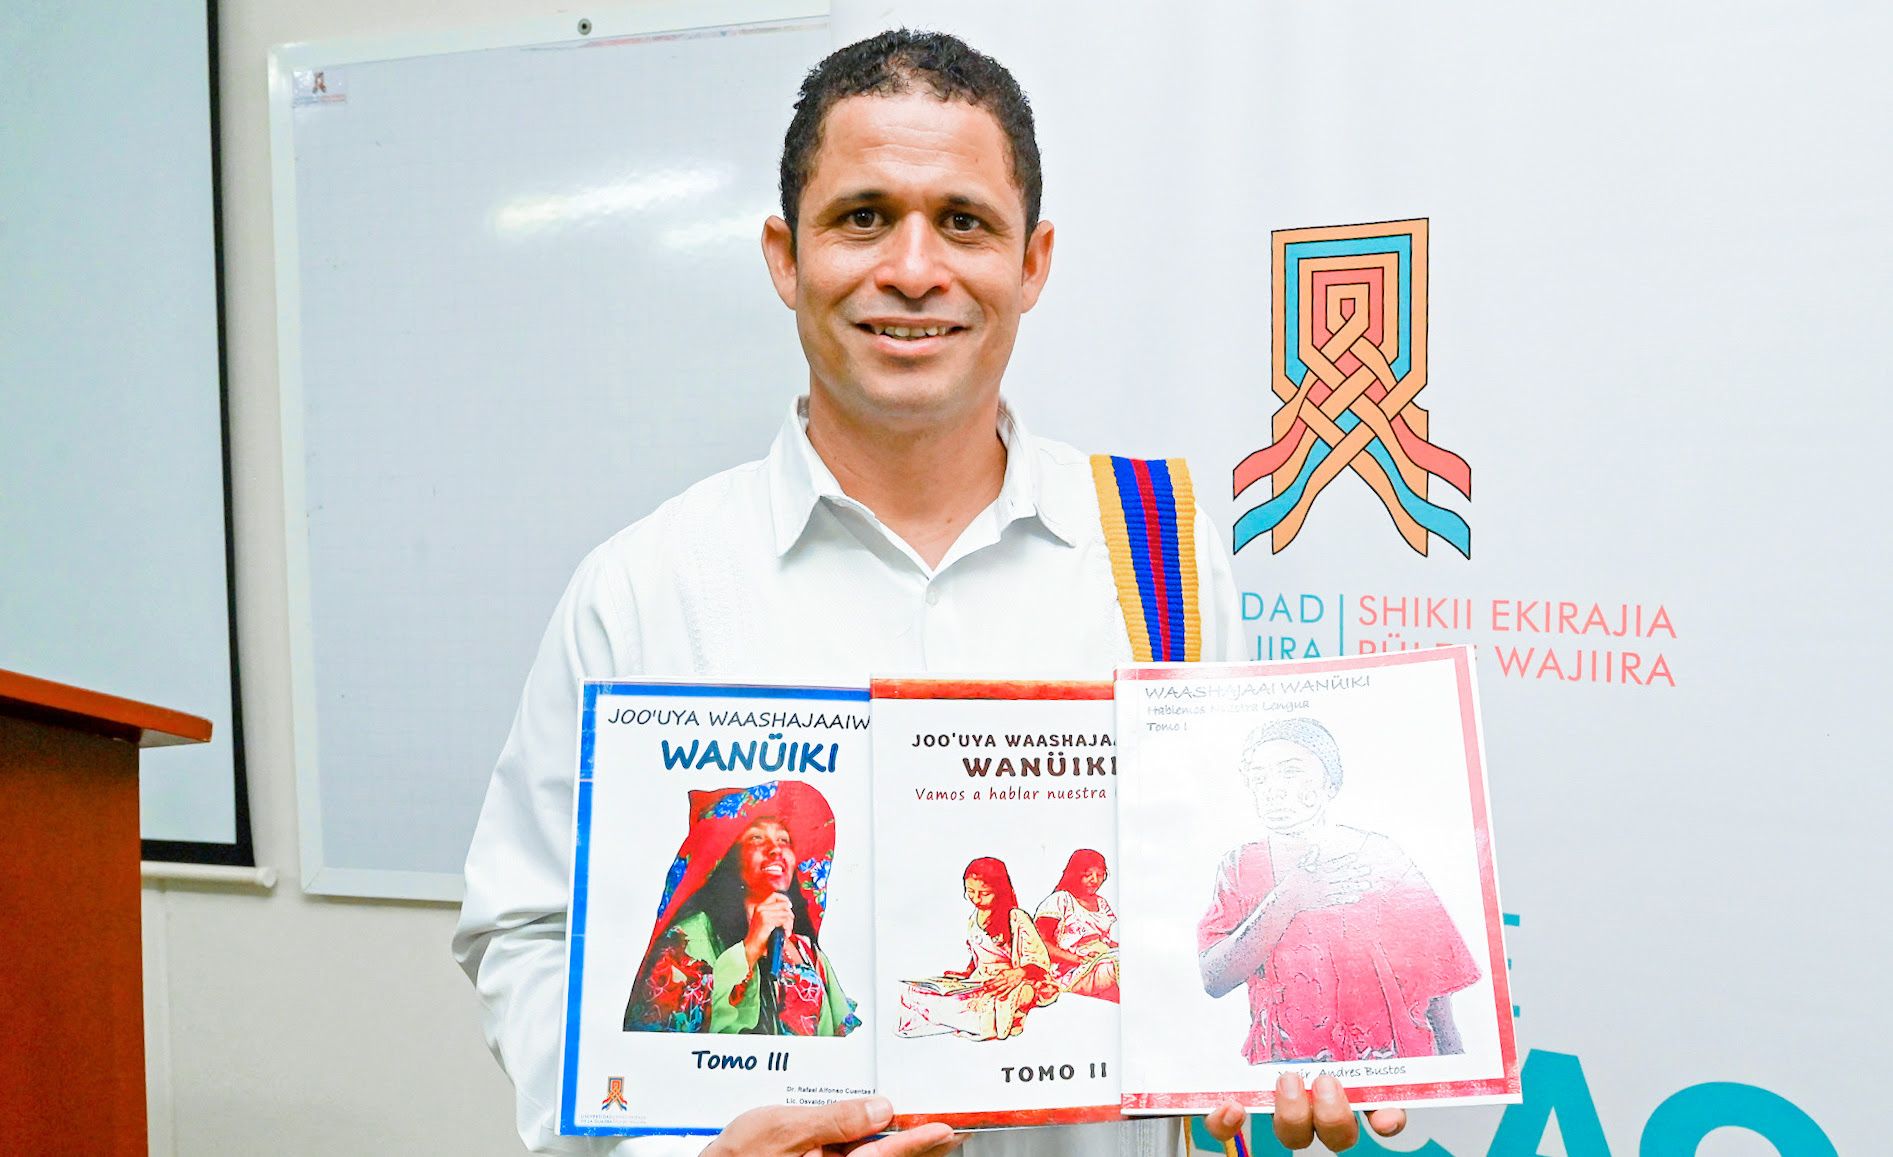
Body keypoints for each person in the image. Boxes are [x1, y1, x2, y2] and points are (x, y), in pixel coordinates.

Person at [453, 28, 1402, 1157]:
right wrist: (672, 1153)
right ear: (783, 255)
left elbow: (1218, 881)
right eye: (862, 216)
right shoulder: (649, 586)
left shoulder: (1160, 554)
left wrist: (1293, 1038)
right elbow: (528, 927)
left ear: (1032, 261)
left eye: (964, 221)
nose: (912, 268)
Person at [1198, 718, 1481, 1064]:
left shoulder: (1380, 855)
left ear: (1330, 782)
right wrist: (1289, 898)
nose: (1272, 788)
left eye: (1290, 772)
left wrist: (1454, 1067)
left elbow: (1436, 985)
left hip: (1387, 1062)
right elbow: (1214, 979)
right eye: (1259, 778)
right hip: (1286, 1069)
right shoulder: (1241, 866)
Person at [622, 781, 857, 1036]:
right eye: (757, 838)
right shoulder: (688, 938)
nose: (775, 849)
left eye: (784, 840)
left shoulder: (807, 952)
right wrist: (750, 950)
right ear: (728, 856)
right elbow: (659, 1041)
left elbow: (834, 1047)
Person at [895, 857, 1060, 1040]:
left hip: (1009, 982)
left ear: (999, 891)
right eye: (970, 892)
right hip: (980, 980)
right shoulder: (974, 918)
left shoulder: (1016, 917)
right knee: (913, 993)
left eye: (984, 893)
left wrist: (1018, 973)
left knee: (996, 1005)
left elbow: (1038, 959)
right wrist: (966, 974)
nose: (976, 898)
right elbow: (979, 955)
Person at [1032, 849, 1119, 1002]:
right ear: (1076, 873)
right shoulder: (1060, 900)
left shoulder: (1102, 904)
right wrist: (1077, 958)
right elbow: (1040, 944)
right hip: (1071, 970)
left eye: (1099, 875)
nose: (1094, 880)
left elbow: (1104, 940)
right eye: (1088, 875)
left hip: (1100, 959)